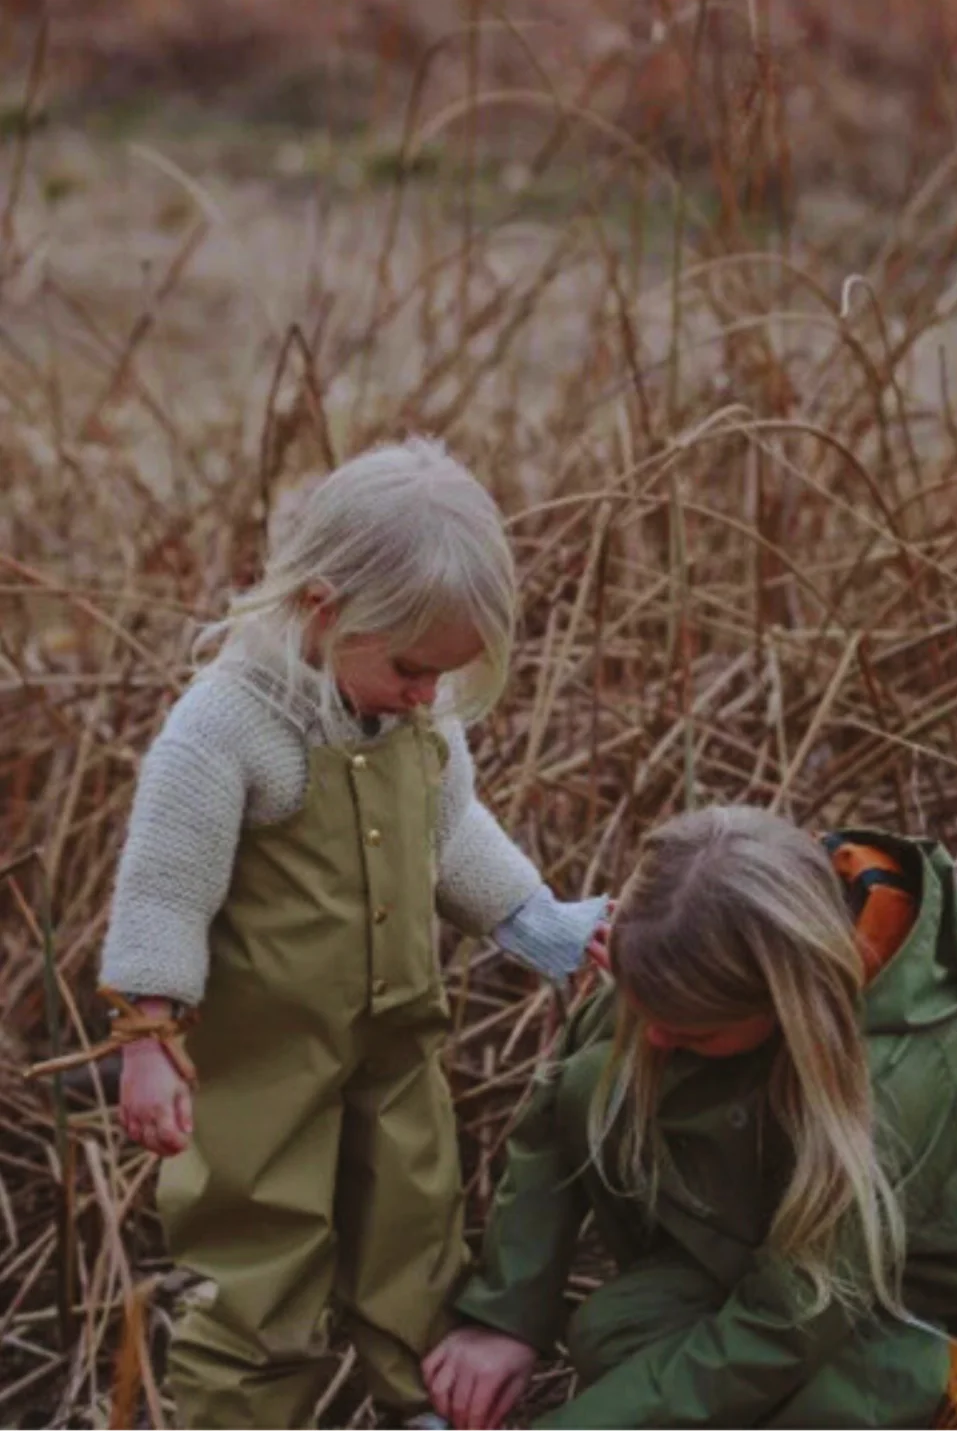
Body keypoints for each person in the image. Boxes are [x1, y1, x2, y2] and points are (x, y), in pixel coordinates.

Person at [97, 438, 608, 1430]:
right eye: (414, 668)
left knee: (414, 1224)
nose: (427, 695)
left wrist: (535, 921)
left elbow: (451, 831)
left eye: (443, 677)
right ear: (321, 610)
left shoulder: (420, 717)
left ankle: (416, 1398)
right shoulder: (230, 727)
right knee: (258, 1252)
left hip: (397, 1032)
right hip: (261, 1064)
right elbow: (164, 888)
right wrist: (148, 1037)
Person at [425, 807, 957, 1429]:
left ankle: (923, 1373)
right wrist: (508, 1317)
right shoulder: (682, 934)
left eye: (689, 1033)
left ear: (787, 1003)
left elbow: (790, 1316)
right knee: (610, 1334)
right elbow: (551, 1122)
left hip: (913, 1272)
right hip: (767, 1216)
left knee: (763, 1384)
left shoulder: (906, 1073)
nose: (657, 1042)